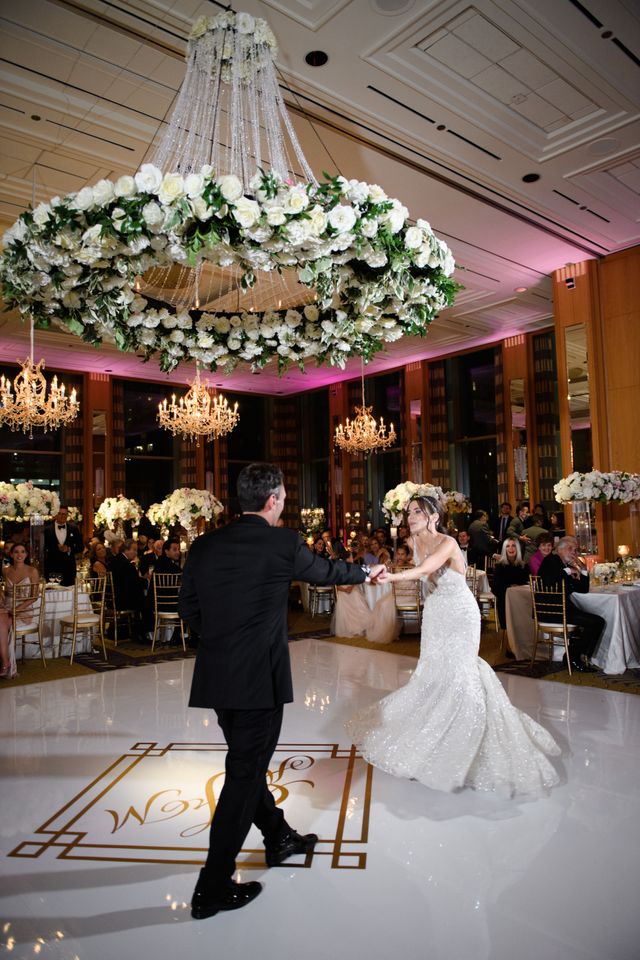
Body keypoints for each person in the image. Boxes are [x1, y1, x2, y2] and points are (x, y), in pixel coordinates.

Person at [178, 463, 384, 920]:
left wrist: (219, 644)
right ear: (272, 499)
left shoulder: (204, 545)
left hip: (218, 677)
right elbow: (326, 572)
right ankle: (212, 886)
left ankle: (279, 838)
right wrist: (366, 573)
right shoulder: (283, 542)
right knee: (244, 775)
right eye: (285, 495)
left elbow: (187, 606)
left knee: (247, 765)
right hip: (259, 682)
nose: (285, 501)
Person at [347, 495, 560, 797]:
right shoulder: (416, 542)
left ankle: (465, 743)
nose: (411, 517)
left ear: (434, 515)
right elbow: (421, 572)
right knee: (432, 673)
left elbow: (424, 571)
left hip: (460, 613)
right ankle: (431, 740)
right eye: (408, 512)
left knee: (461, 673)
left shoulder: (447, 542)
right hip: (435, 612)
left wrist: (389, 576)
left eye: (417, 512)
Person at [538, 536, 605, 673]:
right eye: (570, 549)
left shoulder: (566, 566)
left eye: (575, 550)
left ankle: (573, 655)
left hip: (564, 610)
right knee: (596, 622)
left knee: (597, 621)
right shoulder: (550, 560)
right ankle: (575, 656)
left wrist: (583, 569)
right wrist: (570, 571)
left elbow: (583, 589)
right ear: (560, 549)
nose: (574, 552)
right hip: (551, 611)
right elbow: (549, 580)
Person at [0, 542, 40, 678]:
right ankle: (6, 663)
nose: (19, 554)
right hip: (7, 607)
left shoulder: (32, 571)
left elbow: (34, 597)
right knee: (1, 621)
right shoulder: (6, 570)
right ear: (11, 554)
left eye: (22, 551)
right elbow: (4, 593)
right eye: (16, 551)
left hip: (24, 609)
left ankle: (6, 665)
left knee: (5, 625)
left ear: (26, 554)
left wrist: (17, 609)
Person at [492, 537, 529, 630]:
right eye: (507, 546)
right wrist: (512, 588)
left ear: (518, 549)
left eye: (513, 546)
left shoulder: (524, 566)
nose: (511, 548)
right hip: (506, 605)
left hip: (522, 604)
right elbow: (495, 588)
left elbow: (528, 585)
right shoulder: (499, 567)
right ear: (504, 550)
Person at [43, 505, 83, 585]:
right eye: (60, 514)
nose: (62, 516)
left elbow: (80, 547)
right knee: (53, 594)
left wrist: (69, 549)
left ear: (67, 515)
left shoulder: (74, 528)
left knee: (69, 595)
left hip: (69, 569)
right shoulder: (47, 530)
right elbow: (43, 549)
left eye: (64, 514)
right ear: (55, 515)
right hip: (52, 568)